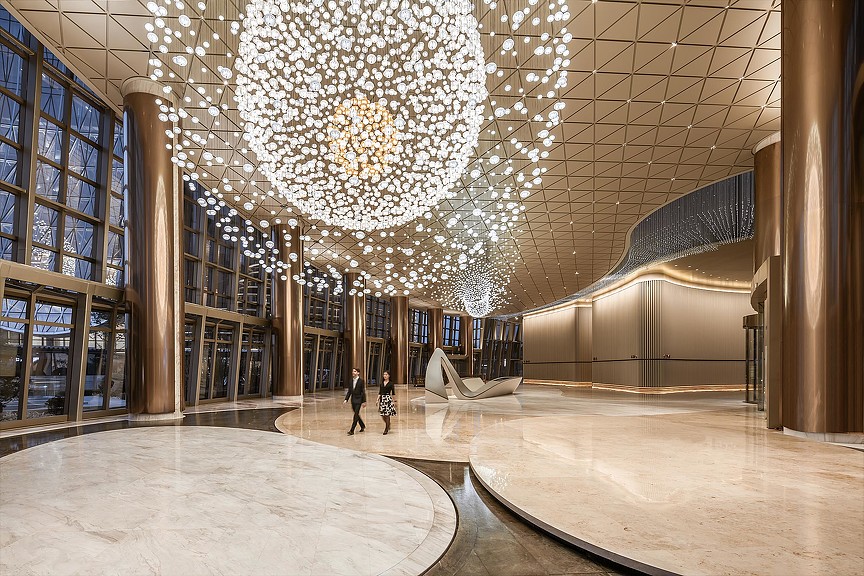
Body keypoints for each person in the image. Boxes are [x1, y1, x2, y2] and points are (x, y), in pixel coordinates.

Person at [343, 367, 366, 435]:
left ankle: (352, 430)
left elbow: (363, 391)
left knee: (355, 415)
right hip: (353, 400)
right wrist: (346, 399)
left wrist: (364, 401)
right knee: (356, 414)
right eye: (353, 371)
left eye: (355, 371)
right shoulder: (351, 381)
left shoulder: (361, 381)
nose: (353, 372)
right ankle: (362, 425)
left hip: (359, 400)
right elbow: (349, 391)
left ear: (358, 373)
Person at [377, 370, 397, 435]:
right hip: (382, 399)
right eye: (384, 374)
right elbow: (380, 392)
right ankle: (388, 424)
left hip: (388, 399)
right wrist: (377, 400)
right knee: (382, 415)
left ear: (389, 376)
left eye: (386, 374)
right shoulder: (381, 383)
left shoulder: (391, 383)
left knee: (387, 415)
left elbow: (393, 393)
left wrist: (395, 401)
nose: (385, 376)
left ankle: (386, 429)